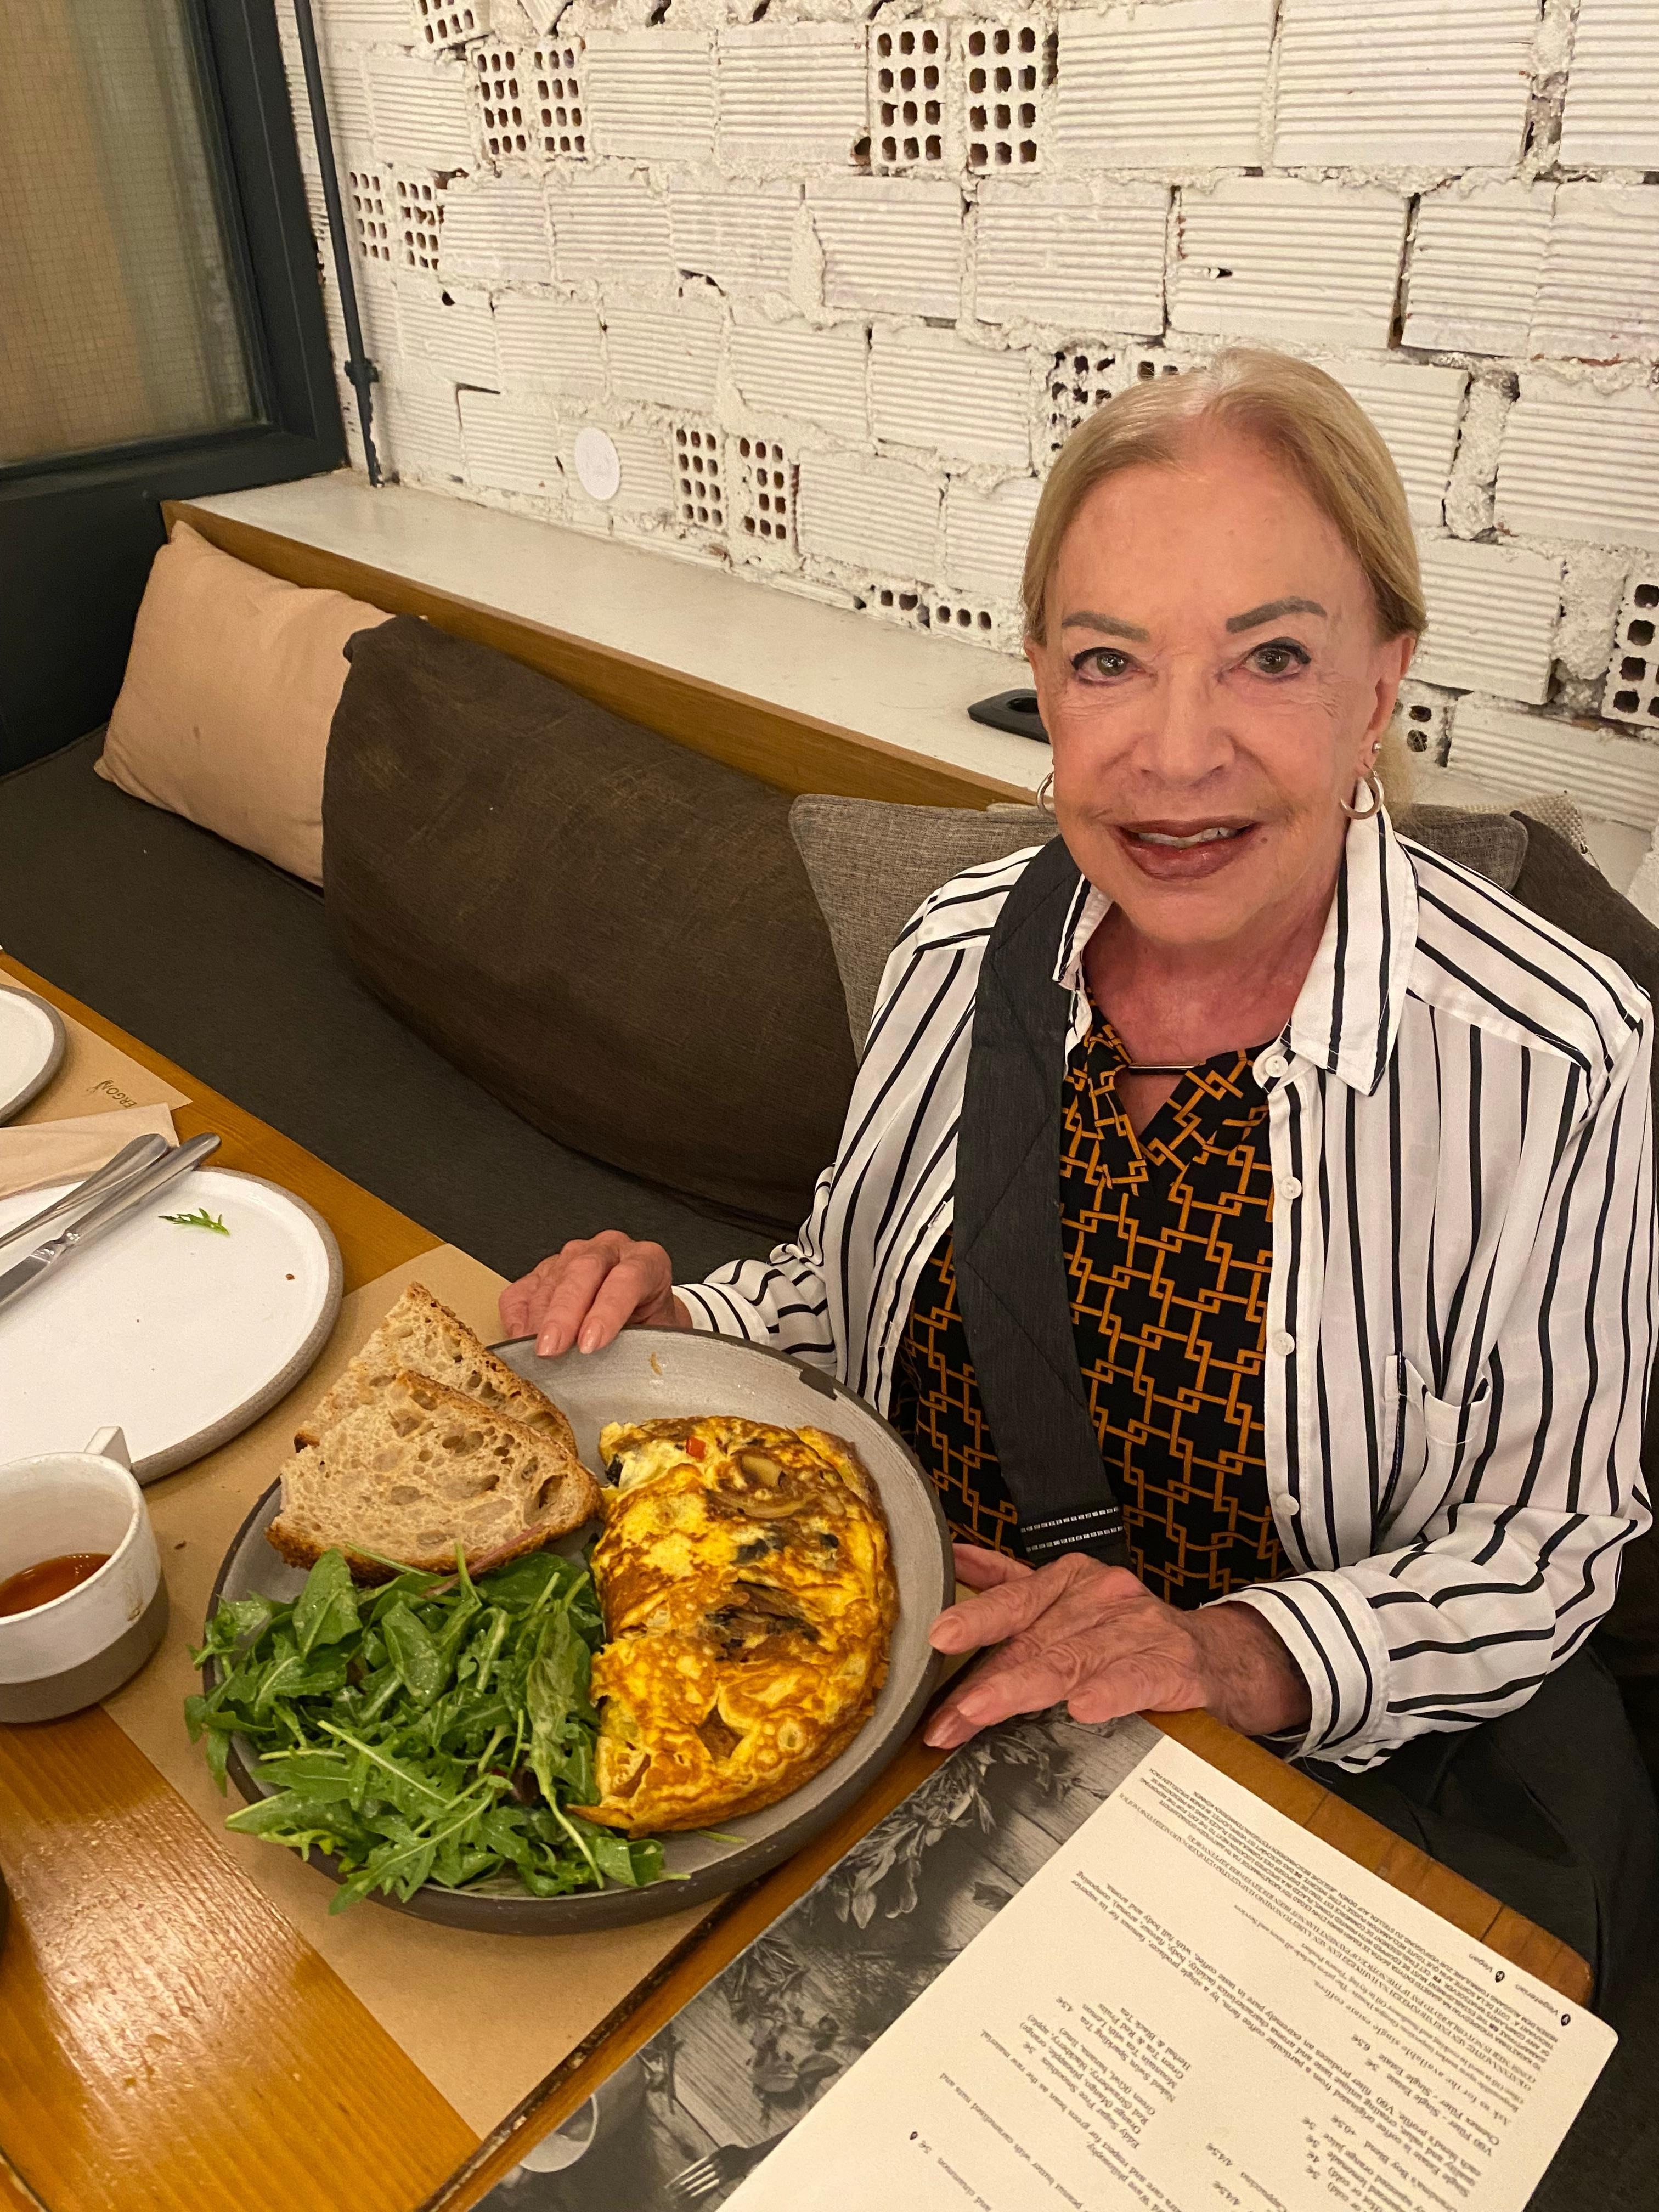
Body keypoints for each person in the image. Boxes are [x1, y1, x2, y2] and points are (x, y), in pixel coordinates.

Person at [502, 349, 1659, 2011]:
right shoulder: (958, 949)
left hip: (1265, 1789)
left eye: (1272, 657)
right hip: (864, 1707)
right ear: (1045, 683)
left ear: (1380, 685)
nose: (1175, 755)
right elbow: (842, 1294)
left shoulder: (1555, 1052)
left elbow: (1548, 1541)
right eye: (1111, 661)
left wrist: (1229, 1652)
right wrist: (672, 1324)